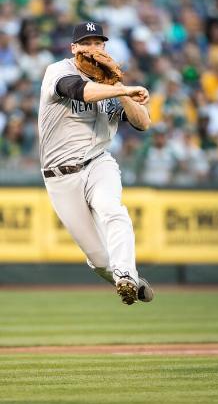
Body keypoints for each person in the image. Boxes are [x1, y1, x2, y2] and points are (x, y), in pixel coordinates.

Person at [38, 21, 154, 305]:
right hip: (59, 176)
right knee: (100, 259)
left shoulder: (111, 83)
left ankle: (126, 274)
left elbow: (143, 123)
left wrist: (121, 89)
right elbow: (82, 92)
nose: (93, 49)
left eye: (98, 43)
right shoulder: (58, 71)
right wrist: (123, 91)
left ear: (105, 47)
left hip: (98, 162)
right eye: (86, 43)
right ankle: (129, 282)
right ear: (73, 48)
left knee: (112, 210)